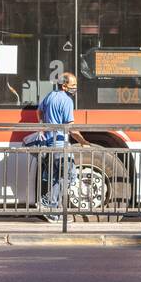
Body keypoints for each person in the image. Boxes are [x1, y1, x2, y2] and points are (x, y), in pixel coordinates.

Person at [31, 73, 88, 219]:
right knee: (69, 176)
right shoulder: (67, 101)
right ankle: (47, 202)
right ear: (64, 86)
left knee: (57, 177)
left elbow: (39, 111)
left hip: (50, 143)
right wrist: (83, 142)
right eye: (73, 86)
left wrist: (42, 126)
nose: (75, 88)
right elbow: (71, 128)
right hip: (61, 144)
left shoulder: (50, 96)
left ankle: (54, 213)